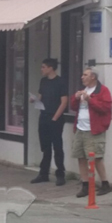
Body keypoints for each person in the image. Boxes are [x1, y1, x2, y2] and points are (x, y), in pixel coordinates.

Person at [71, 68, 112, 197]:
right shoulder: (82, 89)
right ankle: (86, 185)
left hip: (94, 129)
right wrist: (75, 98)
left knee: (96, 157)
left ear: (93, 77)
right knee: (81, 156)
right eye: (82, 75)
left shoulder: (103, 90)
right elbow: (73, 107)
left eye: (85, 75)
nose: (82, 77)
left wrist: (90, 100)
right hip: (80, 128)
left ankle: (105, 183)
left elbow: (105, 108)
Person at [30, 58, 68, 186]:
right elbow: (40, 97)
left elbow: (64, 102)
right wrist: (34, 100)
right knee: (45, 147)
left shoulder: (61, 82)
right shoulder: (43, 81)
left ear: (51, 68)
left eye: (43, 67)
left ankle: (60, 174)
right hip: (44, 116)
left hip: (55, 118)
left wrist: (55, 118)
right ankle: (43, 173)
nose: (41, 69)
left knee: (57, 146)